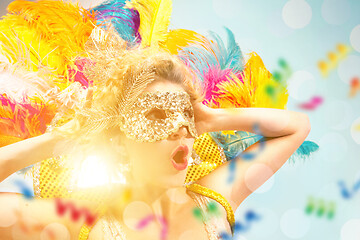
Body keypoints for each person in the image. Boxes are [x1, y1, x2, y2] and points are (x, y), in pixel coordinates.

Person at [0, 1, 315, 239]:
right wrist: (59, 141)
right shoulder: (83, 220)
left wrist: (213, 118)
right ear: (120, 141)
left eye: (186, 115)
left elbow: (296, 127)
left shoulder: (213, 201)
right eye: (156, 114)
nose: (180, 126)